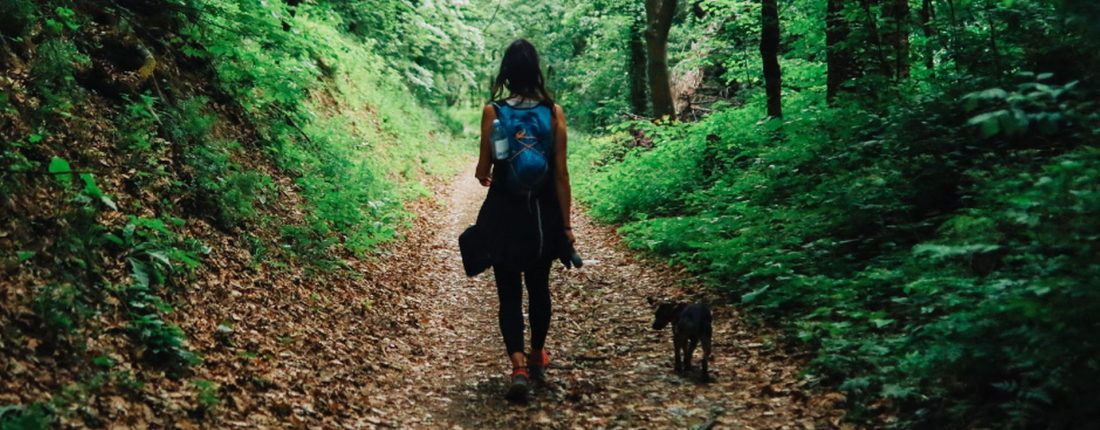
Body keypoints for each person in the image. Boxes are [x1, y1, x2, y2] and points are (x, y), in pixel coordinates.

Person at [474, 39, 574, 402]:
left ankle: (516, 365)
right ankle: (537, 356)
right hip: (543, 214)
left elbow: (483, 169)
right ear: (536, 72)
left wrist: (487, 172)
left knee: (508, 293)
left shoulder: (493, 110)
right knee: (540, 287)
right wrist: (566, 227)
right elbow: (561, 175)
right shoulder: (553, 112)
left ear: (506, 73)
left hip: (504, 211)